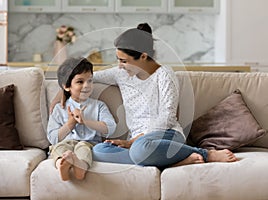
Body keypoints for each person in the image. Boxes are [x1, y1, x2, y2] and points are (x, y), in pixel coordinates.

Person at [50, 23, 237, 169]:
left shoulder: (164, 75)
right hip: (138, 143)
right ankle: (171, 162)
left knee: (141, 150)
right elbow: (87, 77)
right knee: (98, 150)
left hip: (166, 136)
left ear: (143, 57)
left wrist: (134, 141)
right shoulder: (120, 73)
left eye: (124, 61)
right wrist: (63, 90)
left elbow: (167, 117)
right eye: (118, 60)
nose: (120, 66)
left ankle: (205, 154)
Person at [47, 57, 116, 181]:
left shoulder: (99, 106)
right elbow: (53, 138)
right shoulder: (59, 108)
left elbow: (110, 128)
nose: (87, 86)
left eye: (90, 81)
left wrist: (86, 121)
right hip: (65, 143)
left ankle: (80, 168)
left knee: (83, 148)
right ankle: (62, 164)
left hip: (89, 143)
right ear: (67, 87)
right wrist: (70, 124)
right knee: (58, 148)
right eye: (80, 82)